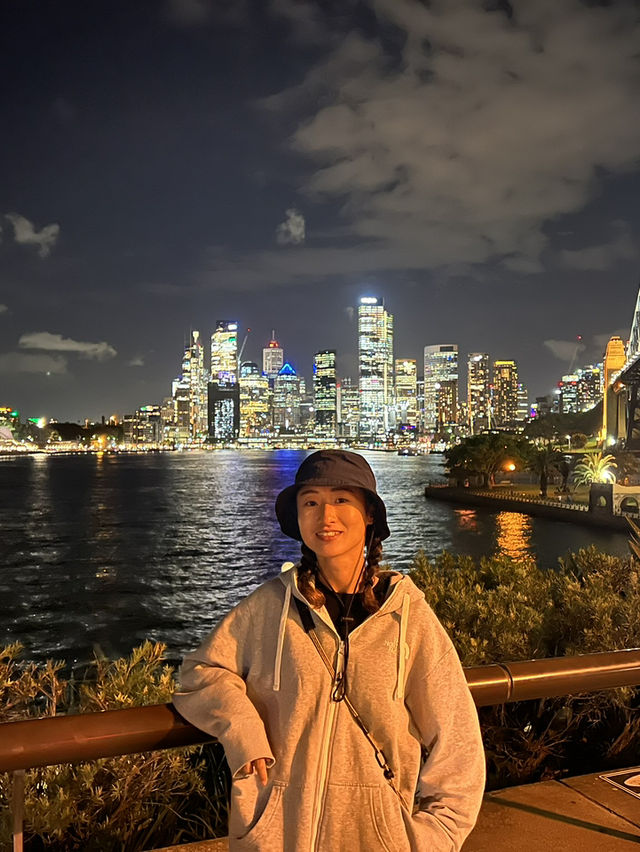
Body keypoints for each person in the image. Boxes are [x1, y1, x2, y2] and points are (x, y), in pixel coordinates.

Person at [173, 450, 485, 851]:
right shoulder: (270, 606)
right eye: (311, 502)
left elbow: (458, 741)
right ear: (298, 517)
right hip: (278, 838)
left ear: (369, 514)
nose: (325, 516)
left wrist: (432, 837)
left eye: (341, 500)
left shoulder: (407, 617)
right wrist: (243, 732)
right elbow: (199, 674)